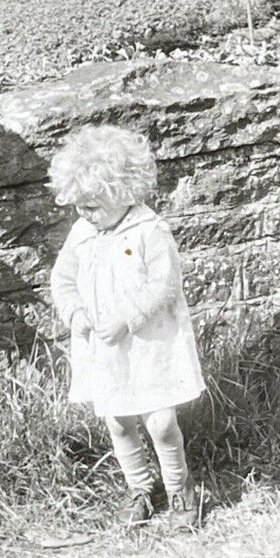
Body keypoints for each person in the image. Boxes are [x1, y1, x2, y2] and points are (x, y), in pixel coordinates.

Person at [48, 125, 206, 530]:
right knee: (118, 419)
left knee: (160, 420)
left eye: (94, 205)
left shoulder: (151, 231)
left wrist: (128, 318)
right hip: (105, 347)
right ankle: (139, 486)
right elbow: (62, 279)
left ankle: (179, 486)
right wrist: (76, 312)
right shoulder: (82, 233)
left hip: (150, 342)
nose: (85, 214)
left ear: (124, 192)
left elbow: (164, 286)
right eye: (80, 206)